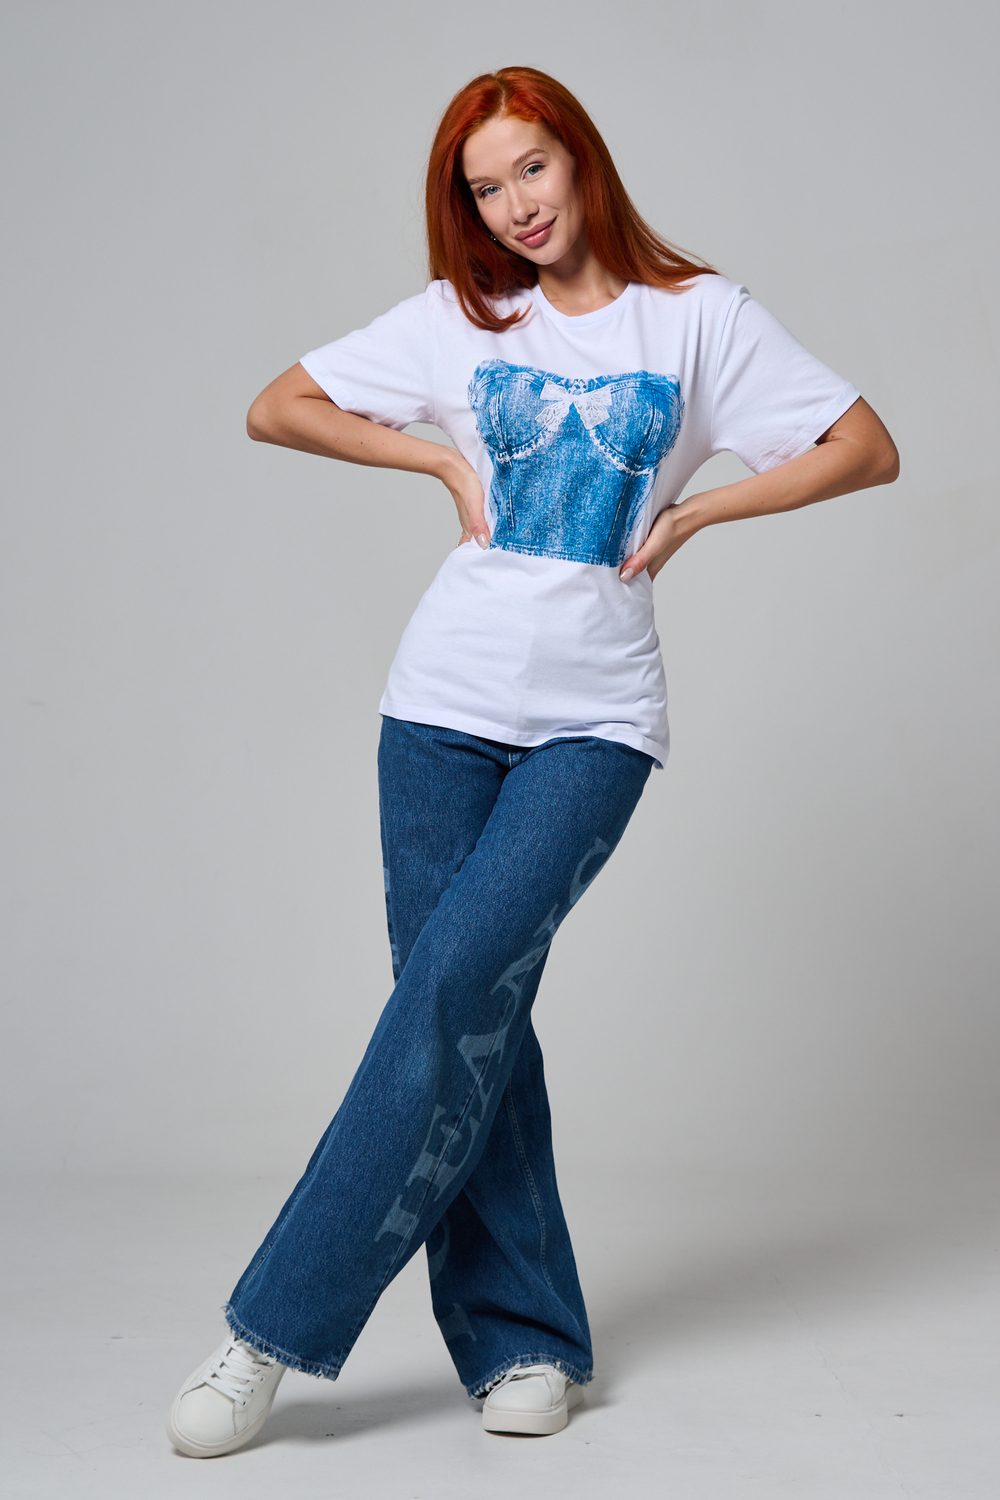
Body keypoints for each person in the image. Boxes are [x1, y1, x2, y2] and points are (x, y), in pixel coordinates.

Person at [166, 65, 898, 1459]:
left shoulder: (699, 319)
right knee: (470, 1021)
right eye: (486, 188)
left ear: (583, 158)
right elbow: (278, 406)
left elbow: (866, 447)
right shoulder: (459, 320)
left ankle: (266, 1334)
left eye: (532, 170)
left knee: (451, 991)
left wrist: (703, 512)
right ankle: (523, 1341)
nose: (516, 207)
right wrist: (441, 467)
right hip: (438, 708)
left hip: (594, 722)